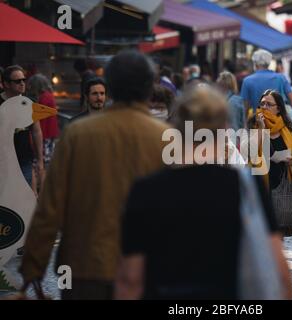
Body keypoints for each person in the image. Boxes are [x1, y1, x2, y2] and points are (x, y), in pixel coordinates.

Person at [115, 86, 292, 300]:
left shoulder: (146, 190)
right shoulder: (247, 188)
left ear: (177, 128)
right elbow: (280, 274)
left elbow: (130, 279)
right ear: (225, 128)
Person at [20, 50, 171, 300]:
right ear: (148, 88)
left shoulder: (78, 134)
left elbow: (51, 207)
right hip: (143, 270)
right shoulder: (165, 138)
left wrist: (32, 267)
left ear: (110, 87)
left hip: (84, 267)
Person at [245, 90, 292, 237]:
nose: (264, 107)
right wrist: (262, 129)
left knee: (278, 234)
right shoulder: (254, 123)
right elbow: (248, 150)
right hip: (260, 184)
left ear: (278, 108)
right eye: (262, 103)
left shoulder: (288, 127)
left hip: (281, 185)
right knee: (261, 232)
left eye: (269, 104)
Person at [0, 65, 44, 190]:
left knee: (24, 200)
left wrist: (40, 161)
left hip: (24, 160)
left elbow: (36, 131)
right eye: (17, 81)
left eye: (24, 80)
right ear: (6, 84)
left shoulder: (30, 102)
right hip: (3, 162)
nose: (22, 83)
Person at [240, 50, 292, 115]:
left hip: (258, 122)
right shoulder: (281, 78)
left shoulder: (247, 81)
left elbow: (245, 108)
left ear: (255, 63)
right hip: (278, 122)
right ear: (269, 63)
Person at [26, 74, 59, 169]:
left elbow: (42, 120)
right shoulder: (49, 95)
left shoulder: (44, 98)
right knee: (46, 161)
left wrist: (33, 139)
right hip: (50, 132)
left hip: (45, 133)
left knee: (41, 163)